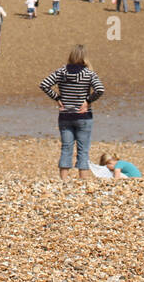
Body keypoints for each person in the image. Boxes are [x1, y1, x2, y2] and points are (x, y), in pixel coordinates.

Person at [40, 45, 105, 180]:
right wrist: (87, 101)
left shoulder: (62, 71)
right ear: (84, 58)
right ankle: (83, 179)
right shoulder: (88, 73)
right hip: (83, 115)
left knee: (66, 147)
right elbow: (100, 89)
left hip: (65, 115)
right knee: (83, 149)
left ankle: (64, 179)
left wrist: (57, 98)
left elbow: (44, 84)